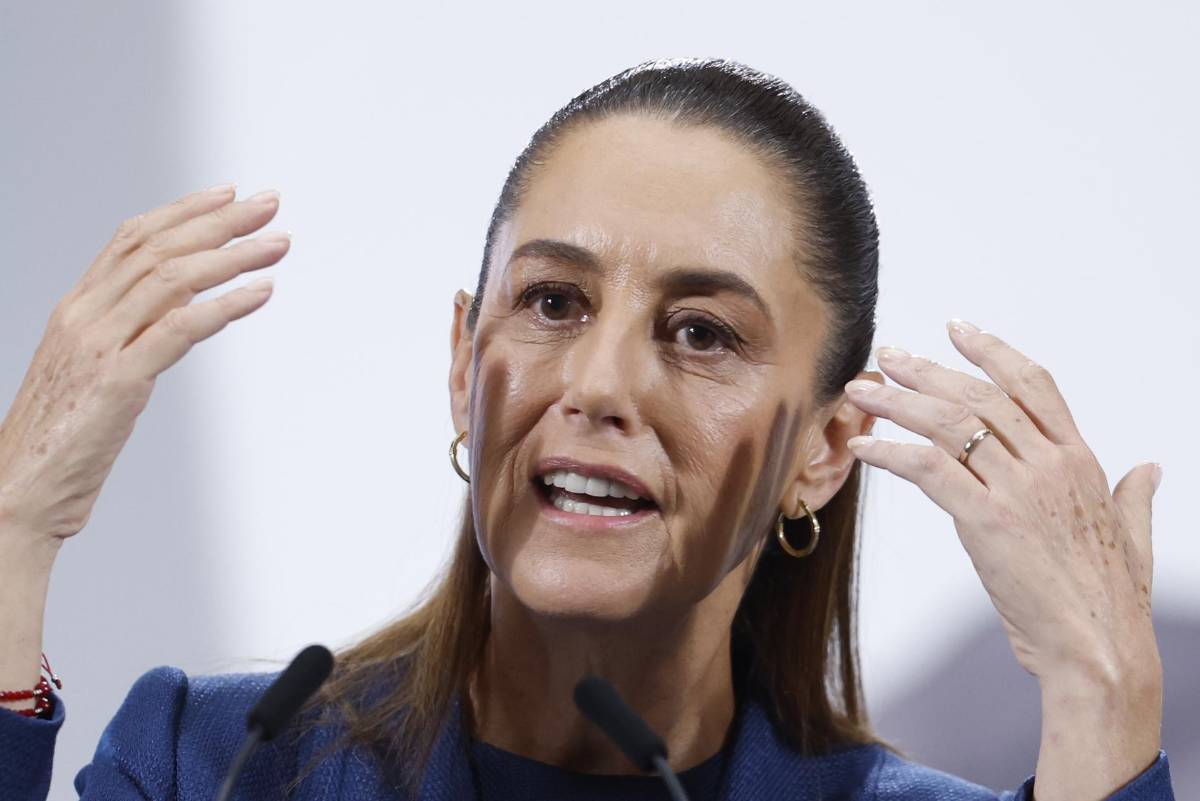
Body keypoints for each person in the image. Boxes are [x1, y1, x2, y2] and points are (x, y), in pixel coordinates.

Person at [0, 57, 1176, 801]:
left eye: (702, 333)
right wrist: (12, 531)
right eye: (555, 303)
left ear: (823, 451)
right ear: (463, 363)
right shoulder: (215, 766)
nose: (601, 383)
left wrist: (1102, 694)